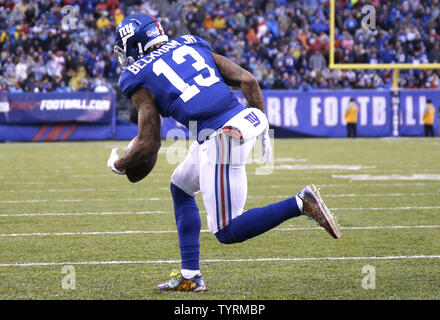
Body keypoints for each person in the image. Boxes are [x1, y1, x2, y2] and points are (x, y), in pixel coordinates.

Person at [107, 13, 341, 292]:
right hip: (238, 122)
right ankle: (190, 276)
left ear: (135, 44)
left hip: (220, 137)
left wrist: (119, 164)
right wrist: (261, 123)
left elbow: (149, 143)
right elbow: (249, 81)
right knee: (180, 185)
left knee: (227, 231)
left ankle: (301, 203)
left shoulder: (136, 75)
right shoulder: (191, 43)